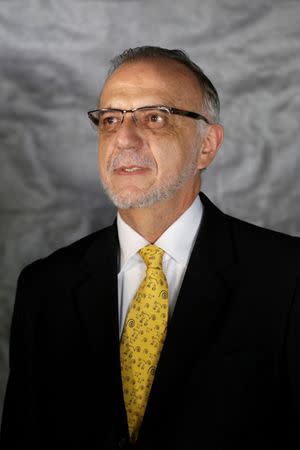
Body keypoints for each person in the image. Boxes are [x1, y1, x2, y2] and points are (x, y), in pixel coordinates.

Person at [0, 46, 300, 450]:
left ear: (207, 145)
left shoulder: (287, 276)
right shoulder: (45, 287)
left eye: (154, 117)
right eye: (110, 119)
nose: (124, 137)